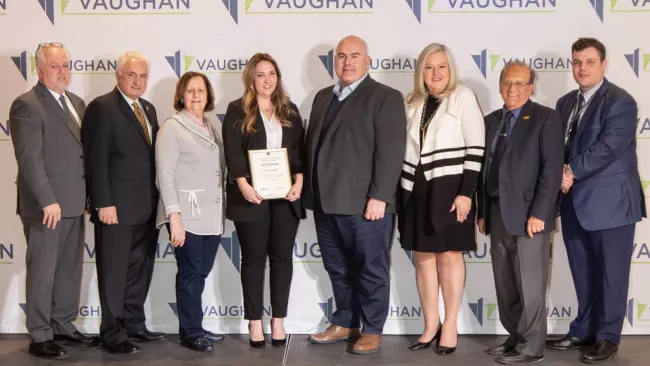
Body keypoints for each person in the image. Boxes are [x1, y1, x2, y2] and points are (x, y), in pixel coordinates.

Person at [304, 35, 407, 354]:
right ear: (334, 62)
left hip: (366, 204)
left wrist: (380, 196)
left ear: (368, 61)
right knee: (337, 267)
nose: (347, 62)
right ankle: (346, 321)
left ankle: (372, 328)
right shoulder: (322, 96)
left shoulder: (385, 97)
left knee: (371, 268)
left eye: (354, 56)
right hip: (325, 202)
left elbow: (391, 152)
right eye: (341, 57)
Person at [546, 38, 646, 364]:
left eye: (589, 62)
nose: (582, 68)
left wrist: (570, 171)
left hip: (612, 205)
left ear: (603, 65)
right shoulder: (564, 103)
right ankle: (583, 329)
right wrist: (558, 174)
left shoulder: (620, 101)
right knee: (583, 271)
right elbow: (558, 148)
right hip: (575, 203)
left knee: (611, 275)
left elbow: (608, 147)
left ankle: (607, 337)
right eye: (577, 62)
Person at [9, 42, 99, 360]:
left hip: (74, 203)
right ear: (39, 70)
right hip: (46, 207)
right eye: (55, 66)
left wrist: (89, 196)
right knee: (44, 271)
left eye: (65, 65)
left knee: (69, 270)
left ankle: (62, 324)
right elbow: (29, 159)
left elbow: (80, 154)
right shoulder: (27, 105)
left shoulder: (75, 102)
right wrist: (47, 200)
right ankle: (41, 333)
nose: (63, 71)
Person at [398, 43, 485, 355]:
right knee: (423, 259)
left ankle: (450, 325)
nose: (435, 73)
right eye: (429, 67)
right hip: (415, 188)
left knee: (449, 257)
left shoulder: (463, 96)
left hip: (450, 189)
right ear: (421, 71)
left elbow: (476, 148)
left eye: (441, 67)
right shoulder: (412, 102)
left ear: (451, 70)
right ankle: (430, 324)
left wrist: (466, 193)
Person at [477, 61, 563, 364]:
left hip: (530, 216)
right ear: (500, 85)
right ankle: (514, 337)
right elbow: (484, 170)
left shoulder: (546, 118)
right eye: (506, 82)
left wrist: (540, 213)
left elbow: (551, 171)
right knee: (506, 284)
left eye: (519, 83)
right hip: (497, 212)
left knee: (530, 285)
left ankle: (532, 347)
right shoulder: (490, 121)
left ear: (531, 87)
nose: (512, 89)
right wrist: (482, 211)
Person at [82, 51, 165, 355]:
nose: (137, 81)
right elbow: (96, 158)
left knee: (138, 270)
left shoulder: (149, 109)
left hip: (145, 207)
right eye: (132, 74)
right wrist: (102, 202)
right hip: (114, 208)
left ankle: (133, 323)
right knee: (114, 273)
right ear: (118, 75)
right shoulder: (102, 107)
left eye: (143, 75)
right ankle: (113, 333)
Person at [222, 53, 306, 348]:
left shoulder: (289, 110)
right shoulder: (237, 110)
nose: (267, 79)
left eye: (272, 73)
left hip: (285, 199)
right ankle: (255, 321)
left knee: (282, 259)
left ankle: (278, 320)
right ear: (251, 78)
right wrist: (243, 184)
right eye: (261, 74)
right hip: (252, 198)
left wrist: (299, 181)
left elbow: (298, 152)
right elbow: (233, 152)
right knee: (254, 260)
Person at [155, 72, 226, 352]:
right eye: (190, 91)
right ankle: (190, 331)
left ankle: (195, 323)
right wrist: (175, 219)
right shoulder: (172, 127)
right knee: (190, 273)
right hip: (187, 216)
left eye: (201, 90)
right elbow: (165, 176)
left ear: (208, 94)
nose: (196, 95)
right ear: (181, 96)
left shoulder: (211, 125)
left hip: (212, 215)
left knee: (200, 273)